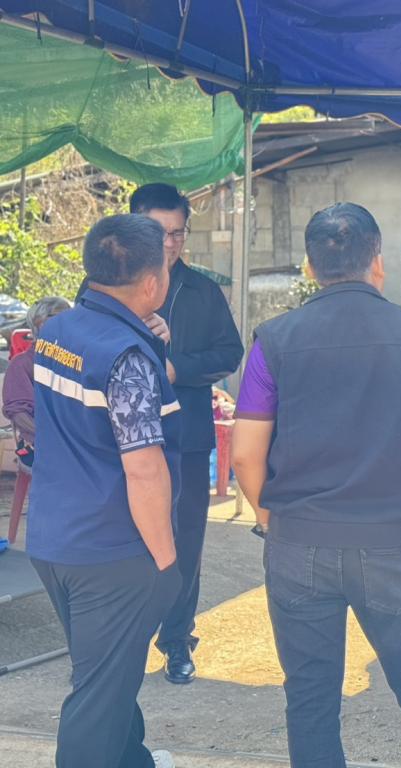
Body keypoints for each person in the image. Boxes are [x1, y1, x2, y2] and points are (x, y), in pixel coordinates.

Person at [231, 203, 401, 768]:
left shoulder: (274, 339)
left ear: (309, 267)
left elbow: (243, 453)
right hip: (389, 544)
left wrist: (271, 519)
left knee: (310, 698)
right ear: (377, 260)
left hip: (297, 542)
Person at [28, 214, 182, 768]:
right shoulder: (126, 358)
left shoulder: (57, 331)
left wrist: (147, 337)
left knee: (107, 673)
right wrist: (166, 560)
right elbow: (144, 470)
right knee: (97, 696)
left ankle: (134, 759)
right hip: (112, 551)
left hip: (55, 537)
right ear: (151, 282)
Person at [127, 183, 244, 685]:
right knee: (126, 537)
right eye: (158, 233)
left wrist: (181, 368)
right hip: (123, 439)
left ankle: (176, 638)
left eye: (177, 234)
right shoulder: (109, 286)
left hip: (188, 437)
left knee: (186, 539)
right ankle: (125, 638)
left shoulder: (203, 291)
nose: (169, 244)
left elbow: (230, 353)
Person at [2, 296, 72, 470]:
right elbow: (19, 414)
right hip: (42, 447)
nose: (70, 322)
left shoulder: (75, 361)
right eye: (61, 316)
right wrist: (56, 437)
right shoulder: (22, 364)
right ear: (41, 323)